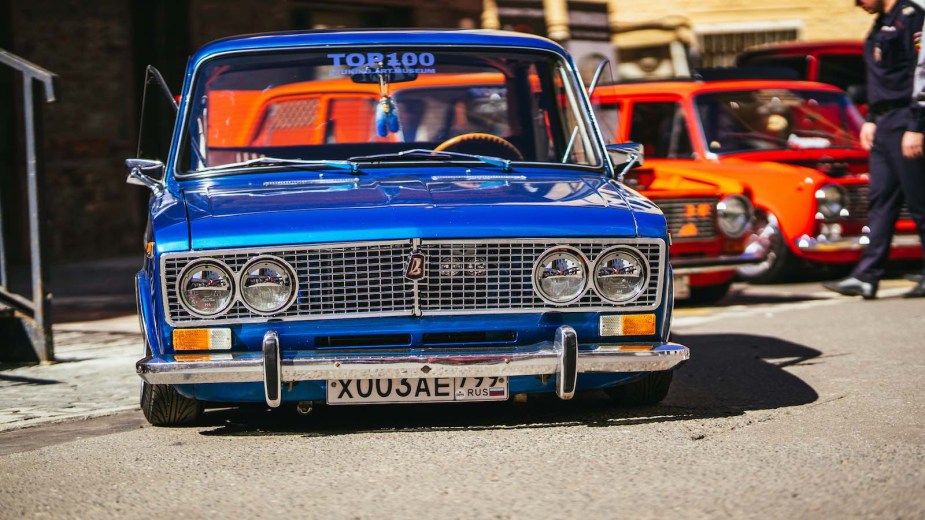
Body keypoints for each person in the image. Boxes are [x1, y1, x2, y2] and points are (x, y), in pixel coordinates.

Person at [823, 0, 925, 299]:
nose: (857, 3)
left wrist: (918, 125)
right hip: (883, 122)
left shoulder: (911, 18)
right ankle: (867, 276)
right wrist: (870, 118)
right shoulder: (881, 23)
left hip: (907, 119)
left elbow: (920, 74)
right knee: (880, 201)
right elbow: (880, 78)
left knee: (920, 202)